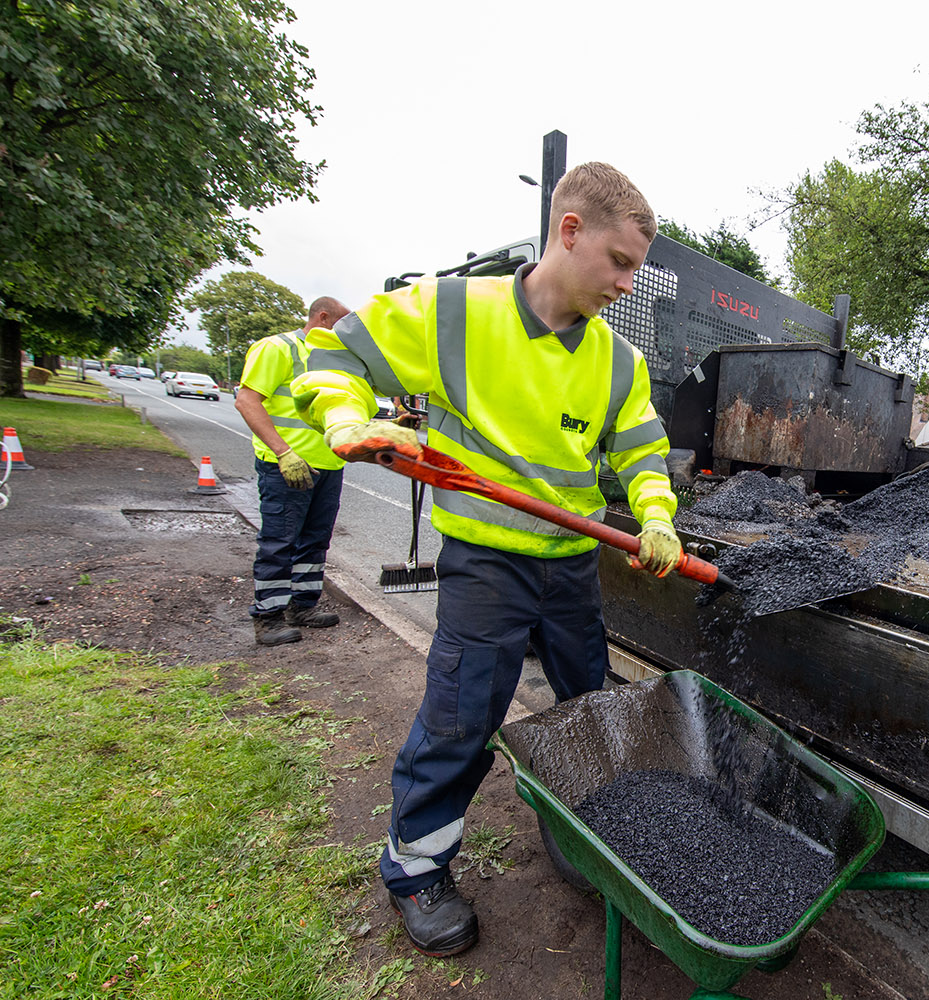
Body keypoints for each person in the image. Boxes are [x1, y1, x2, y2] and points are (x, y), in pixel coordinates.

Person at [291, 162, 681, 957]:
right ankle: (415, 870)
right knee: (464, 718)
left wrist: (656, 515)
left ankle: (579, 836)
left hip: (571, 567)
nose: (628, 284)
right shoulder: (453, 312)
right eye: (620, 262)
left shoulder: (618, 362)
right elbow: (335, 358)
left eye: (636, 268)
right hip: (486, 565)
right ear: (569, 231)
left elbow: (642, 454)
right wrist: (345, 417)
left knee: (588, 710)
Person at [235, 296, 352, 646]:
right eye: (342, 324)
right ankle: (268, 616)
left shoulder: (332, 360)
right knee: (280, 541)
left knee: (315, 540)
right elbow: (246, 400)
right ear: (323, 316)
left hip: (328, 464)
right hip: (287, 465)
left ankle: (303, 606)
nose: (346, 332)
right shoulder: (278, 348)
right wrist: (283, 452)